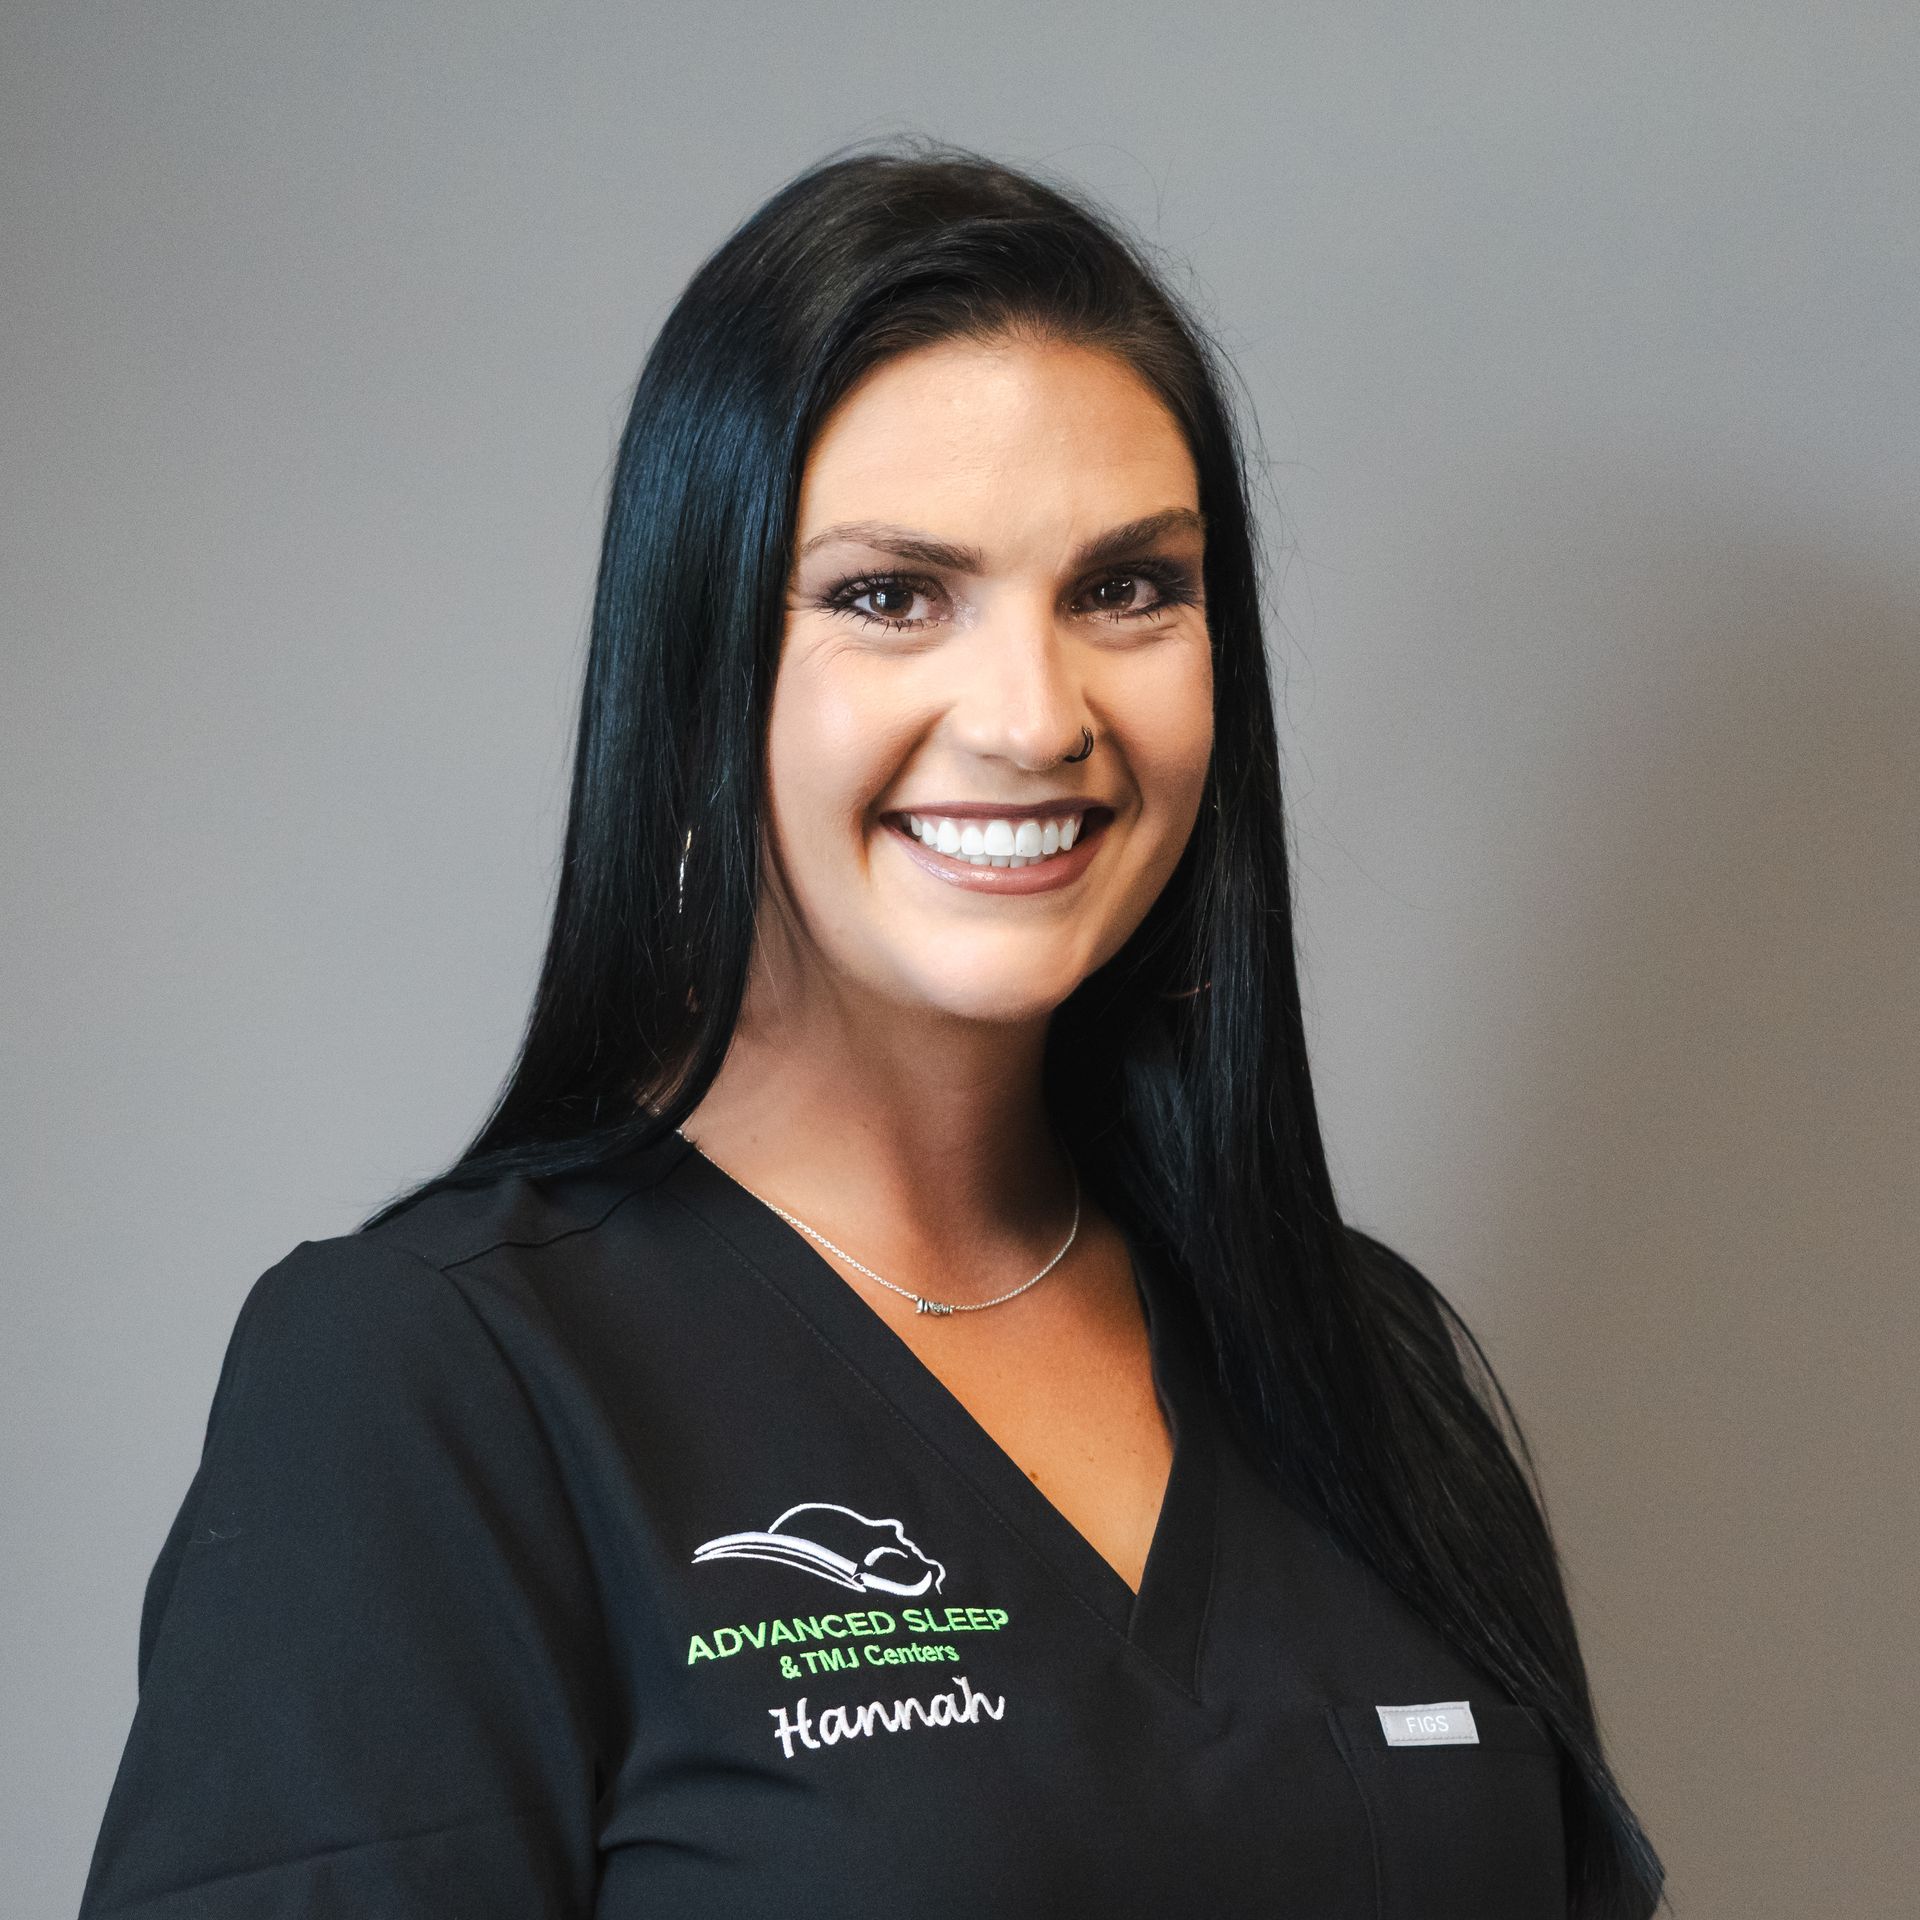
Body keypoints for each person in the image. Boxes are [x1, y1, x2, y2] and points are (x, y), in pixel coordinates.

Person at [78, 137, 1665, 1919]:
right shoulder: (438, 1381)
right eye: (891, 597)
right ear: (697, 671)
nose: (1034, 717)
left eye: (1127, 588)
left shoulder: (1356, 1360)